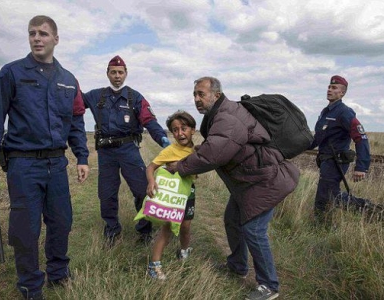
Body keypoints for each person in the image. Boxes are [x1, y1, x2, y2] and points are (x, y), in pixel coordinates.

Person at [0, 15, 89, 300]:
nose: (37, 38)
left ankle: (59, 274)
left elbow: (75, 121)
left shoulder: (68, 80)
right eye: (32, 33)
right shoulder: (11, 73)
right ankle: (30, 285)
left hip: (56, 164)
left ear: (56, 39)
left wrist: (82, 156)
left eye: (43, 34)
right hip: (23, 164)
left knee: (62, 222)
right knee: (26, 229)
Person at [167, 77, 299, 300]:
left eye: (201, 94)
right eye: (195, 95)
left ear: (216, 95)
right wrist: (198, 152)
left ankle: (269, 286)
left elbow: (214, 155)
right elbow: (221, 145)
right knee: (232, 220)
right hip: (249, 182)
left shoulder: (227, 117)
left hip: (263, 181)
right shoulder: (220, 114)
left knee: (254, 231)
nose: (197, 99)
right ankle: (238, 265)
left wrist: (180, 167)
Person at [82, 55, 170, 247]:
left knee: (142, 190)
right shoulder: (96, 96)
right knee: (106, 194)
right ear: (107, 74)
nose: (117, 76)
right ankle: (112, 231)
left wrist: (163, 139)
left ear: (126, 74)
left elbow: (149, 120)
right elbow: (74, 102)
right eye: (113, 72)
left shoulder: (135, 97)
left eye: (120, 72)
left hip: (128, 150)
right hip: (105, 153)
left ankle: (144, 231)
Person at [309, 75, 381, 222]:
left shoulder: (344, 112)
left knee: (325, 197)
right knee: (332, 196)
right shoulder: (325, 112)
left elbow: (361, 138)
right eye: (329, 87)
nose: (329, 89)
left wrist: (362, 167)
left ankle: (321, 226)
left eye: (334, 88)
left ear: (342, 93)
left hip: (336, 161)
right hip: (325, 161)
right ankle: (372, 210)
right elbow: (317, 138)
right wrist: (293, 148)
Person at [146, 110, 197, 280]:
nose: (180, 133)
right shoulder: (170, 151)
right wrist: (151, 182)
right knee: (167, 228)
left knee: (186, 226)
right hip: (172, 196)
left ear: (193, 130)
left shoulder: (197, 151)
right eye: (175, 130)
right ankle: (154, 265)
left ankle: (183, 252)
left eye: (184, 128)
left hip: (188, 194)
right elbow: (150, 167)